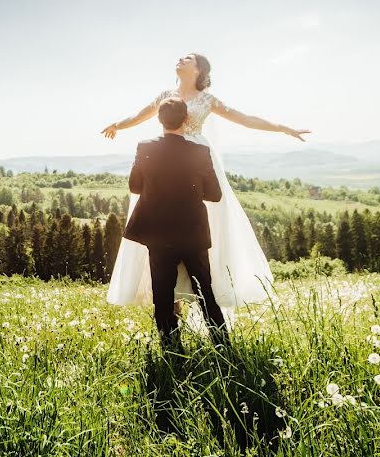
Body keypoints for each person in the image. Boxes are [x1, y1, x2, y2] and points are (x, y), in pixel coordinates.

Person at [103, 53, 310, 329]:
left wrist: (284, 129)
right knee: (163, 232)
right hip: (165, 166)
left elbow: (245, 118)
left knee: (200, 234)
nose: (179, 59)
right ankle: (171, 306)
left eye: (187, 58)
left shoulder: (207, 100)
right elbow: (139, 116)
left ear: (199, 69)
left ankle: (202, 302)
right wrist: (118, 124)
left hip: (196, 166)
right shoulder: (165, 95)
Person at [123, 96, 226, 347]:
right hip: (193, 230)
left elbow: (135, 187)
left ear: (159, 120)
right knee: (206, 292)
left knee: (163, 293)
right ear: (187, 118)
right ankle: (222, 344)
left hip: (157, 232)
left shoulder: (145, 147)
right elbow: (214, 194)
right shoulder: (200, 151)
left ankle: (170, 348)